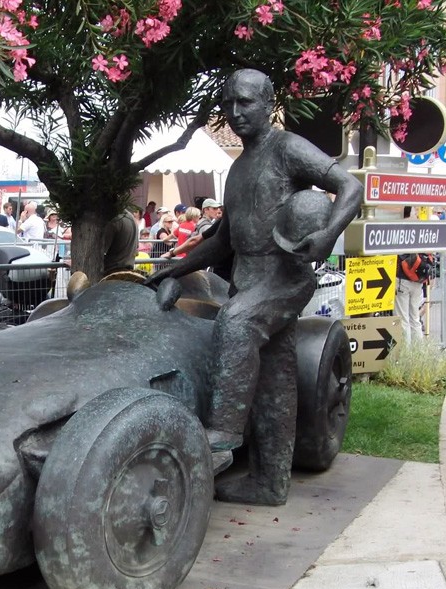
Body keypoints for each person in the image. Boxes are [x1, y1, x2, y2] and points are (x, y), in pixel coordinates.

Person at [146, 69, 363, 506]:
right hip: (249, 279)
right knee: (275, 382)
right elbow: (225, 241)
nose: (235, 112)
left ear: (268, 104)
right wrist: (174, 269)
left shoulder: (287, 148)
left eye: (245, 103)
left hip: (283, 277)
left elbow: (350, 186)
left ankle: (223, 431)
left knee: (237, 322)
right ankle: (269, 482)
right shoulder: (239, 169)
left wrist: (327, 234)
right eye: (228, 104)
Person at [103, 209, 138, 275]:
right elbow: (137, 250)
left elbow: (101, 250)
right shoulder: (131, 217)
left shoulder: (115, 219)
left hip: (113, 271)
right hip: (127, 271)